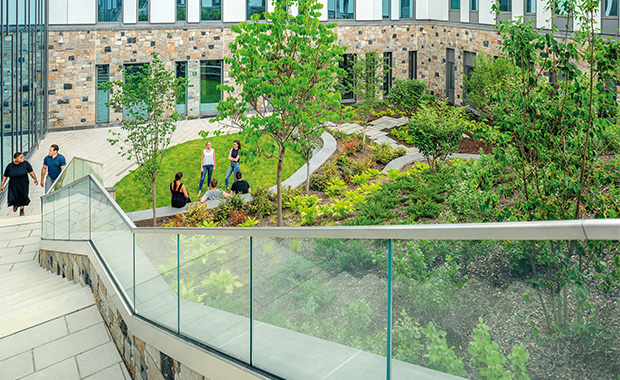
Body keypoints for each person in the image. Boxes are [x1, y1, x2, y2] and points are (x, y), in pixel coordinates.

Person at [0, 152, 39, 216]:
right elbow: (5, 176)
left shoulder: (26, 164)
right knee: (13, 196)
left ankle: (21, 209)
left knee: (22, 196)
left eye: (23, 157)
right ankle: (15, 204)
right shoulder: (10, 166)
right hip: (13, 184)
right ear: (15, 159)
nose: (23, 158)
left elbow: (31, 172)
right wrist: (2, 185)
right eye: (20, 158)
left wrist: (35, 179)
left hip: (23, 183)